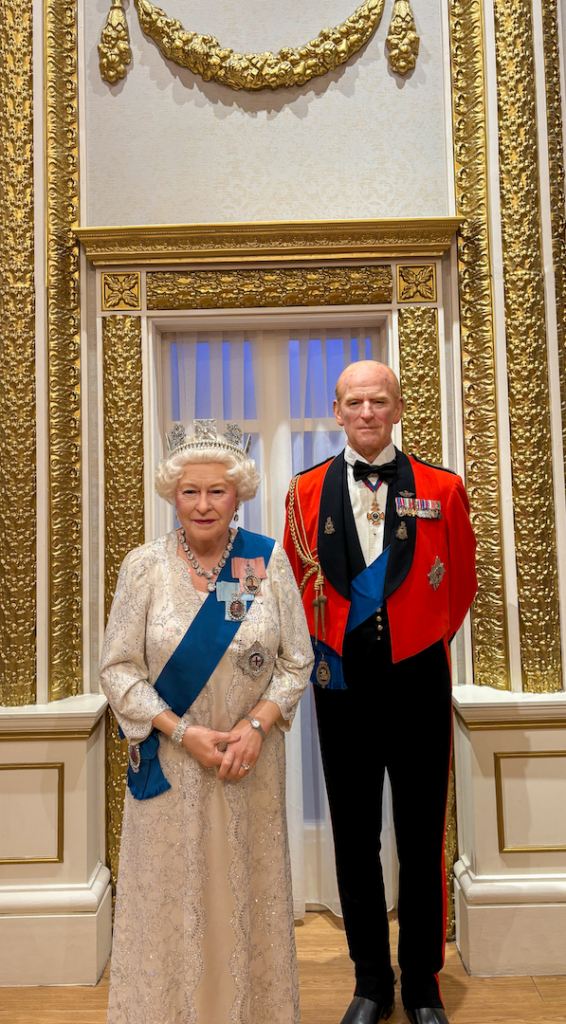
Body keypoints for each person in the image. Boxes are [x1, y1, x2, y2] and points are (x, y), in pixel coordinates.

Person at [100, 419, 313, 1024]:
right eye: (189, 491)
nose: (202, 504)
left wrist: (258, 726)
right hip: (173, 766)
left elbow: (297, 661)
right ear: (172, 493)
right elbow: (118, 670)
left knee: (243, 894)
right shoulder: (144, 567)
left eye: (216, 491)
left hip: (248, 765)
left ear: (238, 494)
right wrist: (180, 731)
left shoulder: (262, 564)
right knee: (173, 903)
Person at [283, 361, 477, 1024]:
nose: (367, 412)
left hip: (418, 680)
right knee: (354, 834)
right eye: (355, 402)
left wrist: (416, 639)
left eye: (379, 401)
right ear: (337, 411)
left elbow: (460, 585)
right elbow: (295, 584)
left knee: (422, 836)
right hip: (340, 684)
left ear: (397, 408)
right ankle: (371, 981)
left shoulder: (442, 487)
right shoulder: (304, 491)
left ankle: (422, 983)